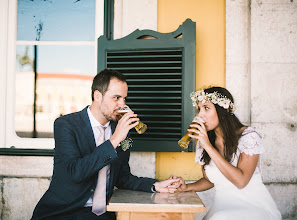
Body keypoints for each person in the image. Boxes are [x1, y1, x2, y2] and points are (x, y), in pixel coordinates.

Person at [31, 69, 180, 220]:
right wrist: (114, 140)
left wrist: (155, 186)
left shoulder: (122, 132)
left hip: (102, 214)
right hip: (63, 212)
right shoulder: (66, 125)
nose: (122, 104)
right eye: (116, 98)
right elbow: (76, 172)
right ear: (98, 96)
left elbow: (123, 177)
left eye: (124, 98)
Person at [174, 86, 282, 220]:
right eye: (199, 109)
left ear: (224, 109)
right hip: (221, 208)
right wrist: (188, 187)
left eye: (206, 108)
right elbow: (211, 180)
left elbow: (241, 181)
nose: (200, 115)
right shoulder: (207, 140)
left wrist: (208, 146)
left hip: (252, 207)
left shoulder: (249, 137)